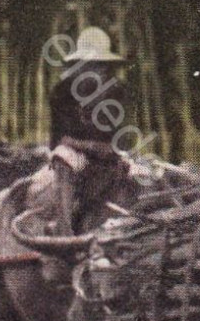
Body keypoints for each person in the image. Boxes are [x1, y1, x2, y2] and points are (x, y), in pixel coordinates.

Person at [29, 26, 132, 281]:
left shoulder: (115, 92)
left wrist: (109, 148)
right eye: (92, 65)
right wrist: (90, 147)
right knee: (64, 159)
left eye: (101, 66)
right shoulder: (63, 93)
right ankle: (64, 230)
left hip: (106, 155)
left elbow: (117, 134)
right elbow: (60, 139)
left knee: (141, 172)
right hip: (75, 152)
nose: (98, 71)